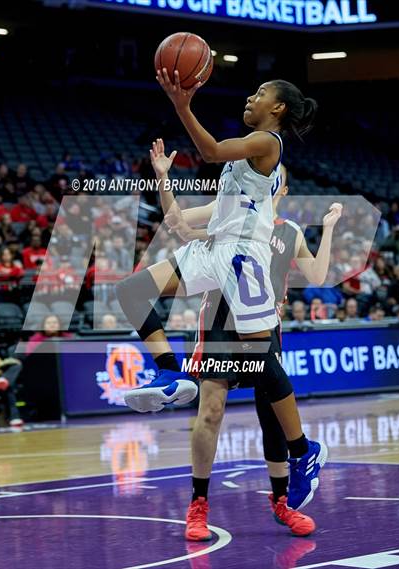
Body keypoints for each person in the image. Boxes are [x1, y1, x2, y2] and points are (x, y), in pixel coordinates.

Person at [117, 78, 326, 511]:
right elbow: (176, 221)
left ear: (279, 108)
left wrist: (182, 105)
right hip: (213, 250)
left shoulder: (267, 142)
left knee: (261, 360)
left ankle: (303, 449)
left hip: (245, 260)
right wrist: (162, 178)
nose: (250, 97)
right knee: (132, 290)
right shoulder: (238, 179)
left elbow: (211, 150)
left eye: (260, 93)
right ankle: (171, 374)